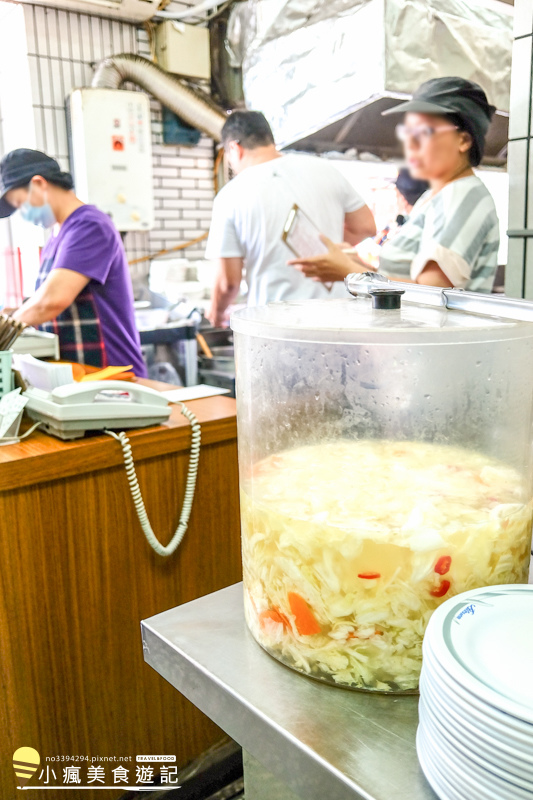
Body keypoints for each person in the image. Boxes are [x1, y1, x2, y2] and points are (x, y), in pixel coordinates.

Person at [290, 78, 499, 293]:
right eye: (408, 133)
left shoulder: (463, 196)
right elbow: (401, 282)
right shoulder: (433, 197)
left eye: (423, 133)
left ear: (463, 141)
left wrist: (348, 271)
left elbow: (432, 295)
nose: (410, 144)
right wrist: (355, 265)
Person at [205, 111, 376, 325]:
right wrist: (322, 247)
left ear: (234, 149)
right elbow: (366, 227)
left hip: (277, 327)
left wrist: (215, 312)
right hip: (339, 319)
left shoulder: (230, 195)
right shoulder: (325, 169)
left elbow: (228, 283)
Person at [0, 149, 146, 375]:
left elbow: (51, 301)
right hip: (79, 372)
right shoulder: (57, 236)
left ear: (39, 184)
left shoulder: (89, 226)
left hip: (111, 372)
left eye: (21, 203)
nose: (23, 214)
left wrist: (5, 331)